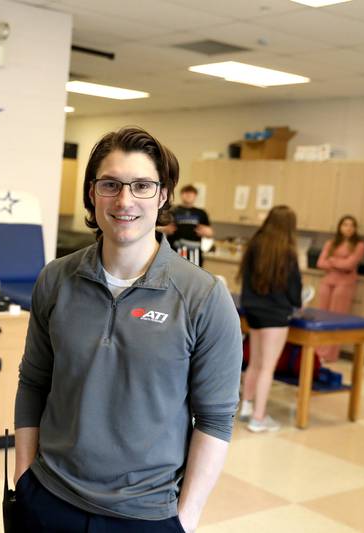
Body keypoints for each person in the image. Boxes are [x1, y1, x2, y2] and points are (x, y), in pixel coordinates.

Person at [13, 127, 242, 532]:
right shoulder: (56, 280)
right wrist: (25, 477)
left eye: (141, 185)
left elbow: (215, 419)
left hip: (147, 515)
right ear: (91, 192)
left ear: (163, 195)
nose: (124, 200)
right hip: (48, 499)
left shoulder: (204, 297)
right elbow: (33, 382)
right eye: (110, 184)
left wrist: (183, 521)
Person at [237, 205, 302, 433]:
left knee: (254, 362)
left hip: (253, 311)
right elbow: (295, 290)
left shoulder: (256, 243)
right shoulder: (288, 251)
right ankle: (258, 418)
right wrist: (298, 303)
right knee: (267, 367)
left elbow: (244, 278)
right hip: (276, 314)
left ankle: (245, 407)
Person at [314, 215, 364, 362]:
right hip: (327, 282)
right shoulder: (331, 243)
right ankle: (317, 352)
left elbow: (349, 265)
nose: (348, 228)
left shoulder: (359, 245)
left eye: (351, 225)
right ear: (339, 226)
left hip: (344, 284)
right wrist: (339, 263)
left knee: (336, 319)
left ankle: (329, 354)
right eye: (345, 224)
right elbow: (320, 263)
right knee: (322, 317)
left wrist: (332, 261)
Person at [161, 184, 212, 265]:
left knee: (194, 275)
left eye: (191, 193)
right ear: (181, 195)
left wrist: (207, 232)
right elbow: (160, 227)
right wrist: (164, 229)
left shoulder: (201, 213)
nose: (188, 195)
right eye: (186, 193)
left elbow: (210, 232)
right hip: (174, 251)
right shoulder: (172, 211)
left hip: (195, 253)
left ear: (195, 196)